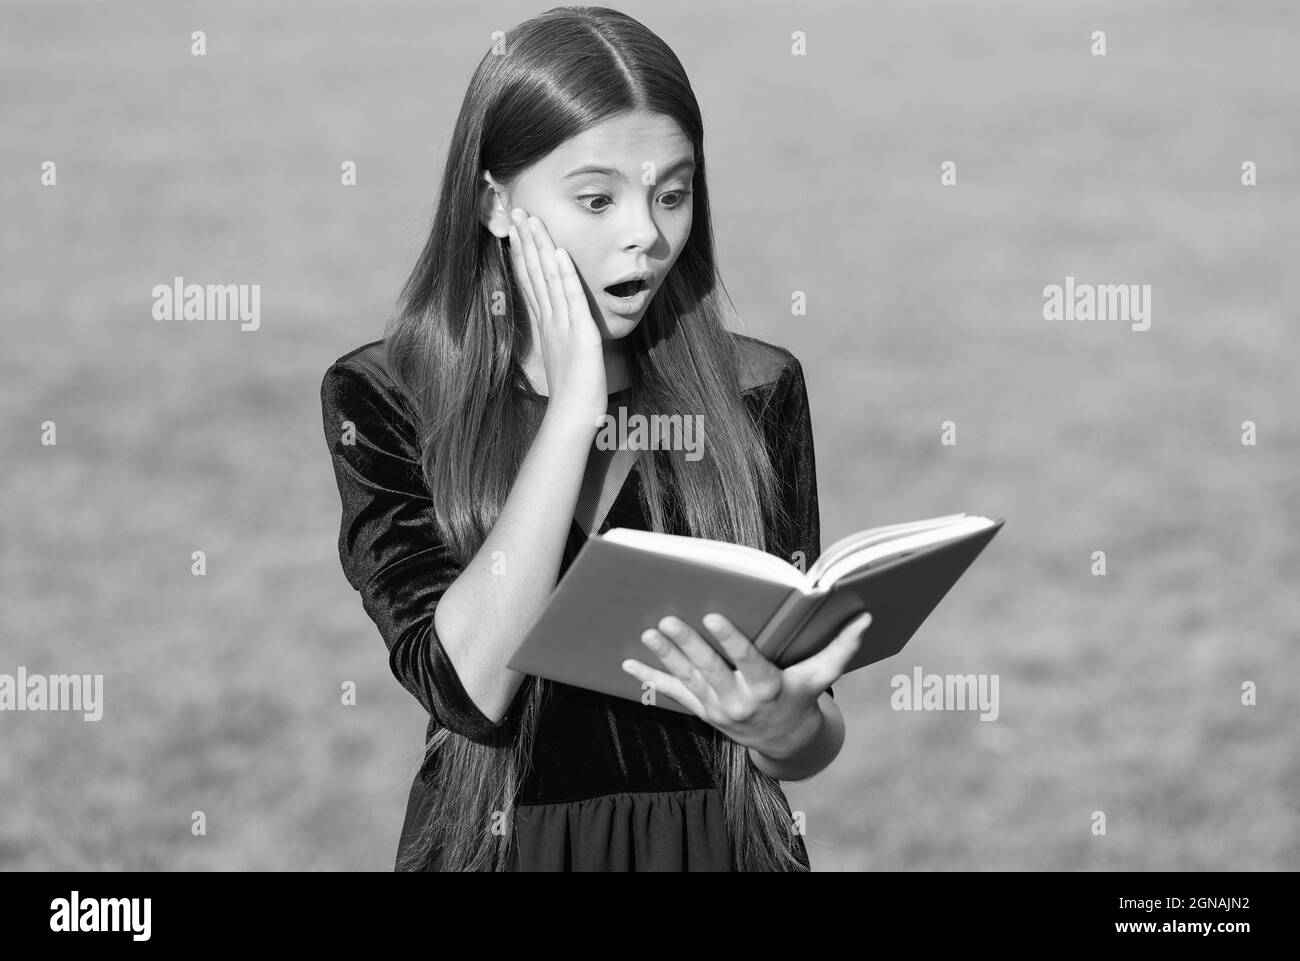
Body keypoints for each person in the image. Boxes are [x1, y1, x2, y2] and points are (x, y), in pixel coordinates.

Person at [320, 6, 871, 872]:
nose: (645, 235)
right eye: (596, 198)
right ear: (495, 203)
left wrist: (784, 724)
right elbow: (468, 690)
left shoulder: (756, 391)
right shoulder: (390, 399)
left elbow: (809, 733)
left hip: (720, 847)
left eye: (672, 193)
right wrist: (574, 410)